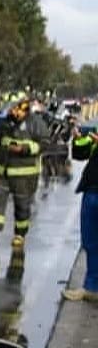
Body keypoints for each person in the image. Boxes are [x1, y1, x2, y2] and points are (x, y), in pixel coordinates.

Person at [0, 95, 48, 247]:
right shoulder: (6, 123)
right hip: (2, 172)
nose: (12, 110)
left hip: (24, 175)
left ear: (24, 107)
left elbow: (45, 144)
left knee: (22, 206)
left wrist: (24, 149)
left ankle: (20, 234)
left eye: (15, 107)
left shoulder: (36, 123)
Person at [62, 126, 98, 301]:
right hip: (92, 190)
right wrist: (77, 139)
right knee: (91, 242)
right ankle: (91, 287)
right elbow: (80, 153)